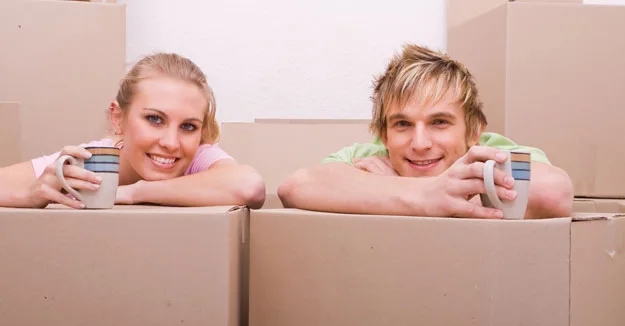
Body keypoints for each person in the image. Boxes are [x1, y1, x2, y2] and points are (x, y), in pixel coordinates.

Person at [278, 44, 573, 219]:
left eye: (440, 122)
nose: (419, 143)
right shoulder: (368, 157)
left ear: (474, 132)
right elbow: (295, 187)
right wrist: (422, 195)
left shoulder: (493, 154)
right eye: (402, 124)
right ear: (383, 135)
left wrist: (395, 194)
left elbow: (554, 194)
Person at [0, 53, 266, 209]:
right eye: (154, 119)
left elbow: (250, 187)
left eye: (188, 126)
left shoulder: (199, 158)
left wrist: (133, 192)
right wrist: (27, 194)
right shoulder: (91, 162)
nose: (172, 143)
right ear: (118, 118)